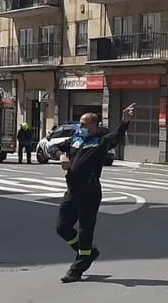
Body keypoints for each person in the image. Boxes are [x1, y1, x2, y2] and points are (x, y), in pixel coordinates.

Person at [53, 103, 135, 283]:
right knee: (62, 227)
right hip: (72, 190)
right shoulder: (76, 139)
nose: (80, 127)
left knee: (85, 231)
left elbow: (117, 137)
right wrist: (61, 155)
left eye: (84, 124)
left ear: (94, 125)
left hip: (89, 190)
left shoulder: (102, 140)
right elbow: (54, 147)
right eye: (80, 124)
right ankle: (88, 253)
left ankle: (77, 269)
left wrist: (124, 122)